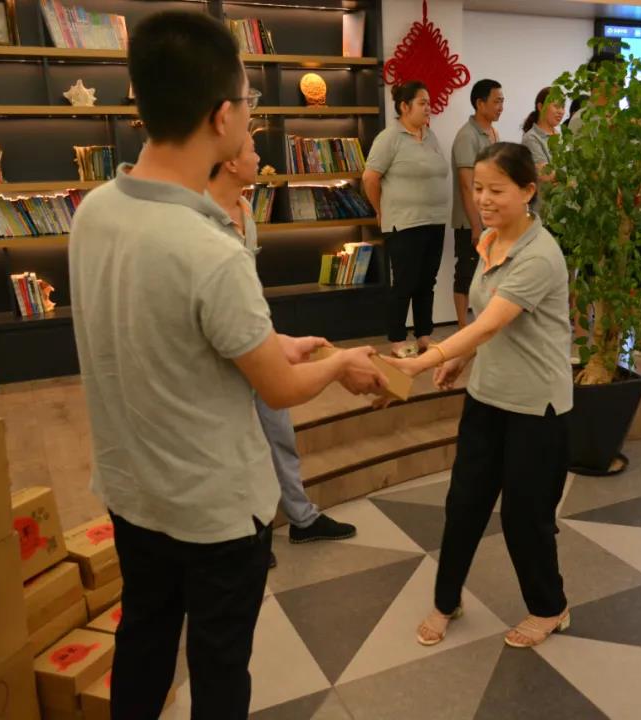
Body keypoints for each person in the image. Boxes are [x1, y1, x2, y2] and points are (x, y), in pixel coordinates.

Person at [68, 12, 385, 719]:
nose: (250, 116)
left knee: (144, 641)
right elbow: (280, 388)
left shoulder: (95, 212)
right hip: (213, 510)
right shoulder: (210, 248)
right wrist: (339, 365)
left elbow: (172, 339)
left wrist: (277, 344)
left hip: (131, 492)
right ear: (221, 116)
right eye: (248, 100)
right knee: (219, 670)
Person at [385, 143, 573, 649]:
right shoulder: (489, 240)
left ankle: (549, 607)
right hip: (488, 396)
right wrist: (461, 358)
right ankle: (446, 601)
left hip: (536, 406)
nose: (483, 199)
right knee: (464, 504)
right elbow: (483, 322)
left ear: (528, 191)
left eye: (496, 190)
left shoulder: (540, 255)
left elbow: (491, 322)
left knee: (524, 516)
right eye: (478, 189)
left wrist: (422, 361)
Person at [207, 134, 357, 568]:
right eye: (252, 150)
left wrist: (271, 338)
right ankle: (246, 534)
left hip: (258, 336)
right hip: (224, 350)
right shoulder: (198, 221)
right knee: (237, 442)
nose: (259, 157)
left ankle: (301, 518)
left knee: (279, 430)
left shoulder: (246, 211)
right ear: (230, 162)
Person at [363, 81, 449, 358]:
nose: (428, 108)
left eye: (429, 103)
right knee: (404, 283)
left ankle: (424, 335)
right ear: (404, 106)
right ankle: (398, 339)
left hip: (434, 220)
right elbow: (370, 178)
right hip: (404, 223)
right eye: (422, 103)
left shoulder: (430, 136)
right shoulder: (389, 138)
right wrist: (380, 210)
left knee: (427, 282)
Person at [451, 79, 504, 329]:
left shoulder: (493, 133)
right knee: (466, 273)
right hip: (471, 220)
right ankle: (463, 327)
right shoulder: (467, 136)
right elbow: (466, 184)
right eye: (496, 101)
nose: (501, 106)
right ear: (480, 103)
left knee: (489, 274)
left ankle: (484, 323)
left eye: (502, 101)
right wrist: (475, 225)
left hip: (492, 218)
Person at [521, 86, 564, 215]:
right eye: (556, 106)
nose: (561, 111)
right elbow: (546, 174)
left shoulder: (561, 136)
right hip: (546, 212)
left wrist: (561, 178)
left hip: (565, 209)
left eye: (562, 107)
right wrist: (569, 178)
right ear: (540, 107)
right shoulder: (531, 138)